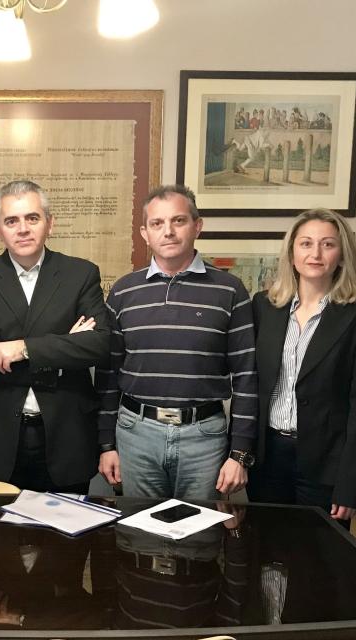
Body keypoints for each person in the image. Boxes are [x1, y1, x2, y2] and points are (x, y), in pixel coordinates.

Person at [97, 184, 257, 500]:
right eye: (157, 223)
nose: (168, 231)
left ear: (197, 226)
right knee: (138, 525)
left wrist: (240, 453)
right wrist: (106, 445)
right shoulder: (123, 292)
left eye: (178, 221)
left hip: (204, 437)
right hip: (136, 434)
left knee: (201, 527)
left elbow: (247, 376)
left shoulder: (230, 290)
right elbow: (108, 375)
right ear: (145, 233)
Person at [0, 180, 108, 493]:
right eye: (11, 221)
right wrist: (64, 350)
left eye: (32, 218)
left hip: (66, 433)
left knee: (64, 523)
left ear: (50, 223)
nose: (23, 229)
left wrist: (21, 348)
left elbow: (99, 344)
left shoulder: (81, 274)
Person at [248, 208, 356, 525]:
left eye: (327, 244)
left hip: (327, 464)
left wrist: (350, 484)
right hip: (268, 457)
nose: (315, 254)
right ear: (292, 253)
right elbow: (249, 384)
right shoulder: (264, 306)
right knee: (266, 546)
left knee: (320, 551)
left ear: (342, 255)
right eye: (306, 243)